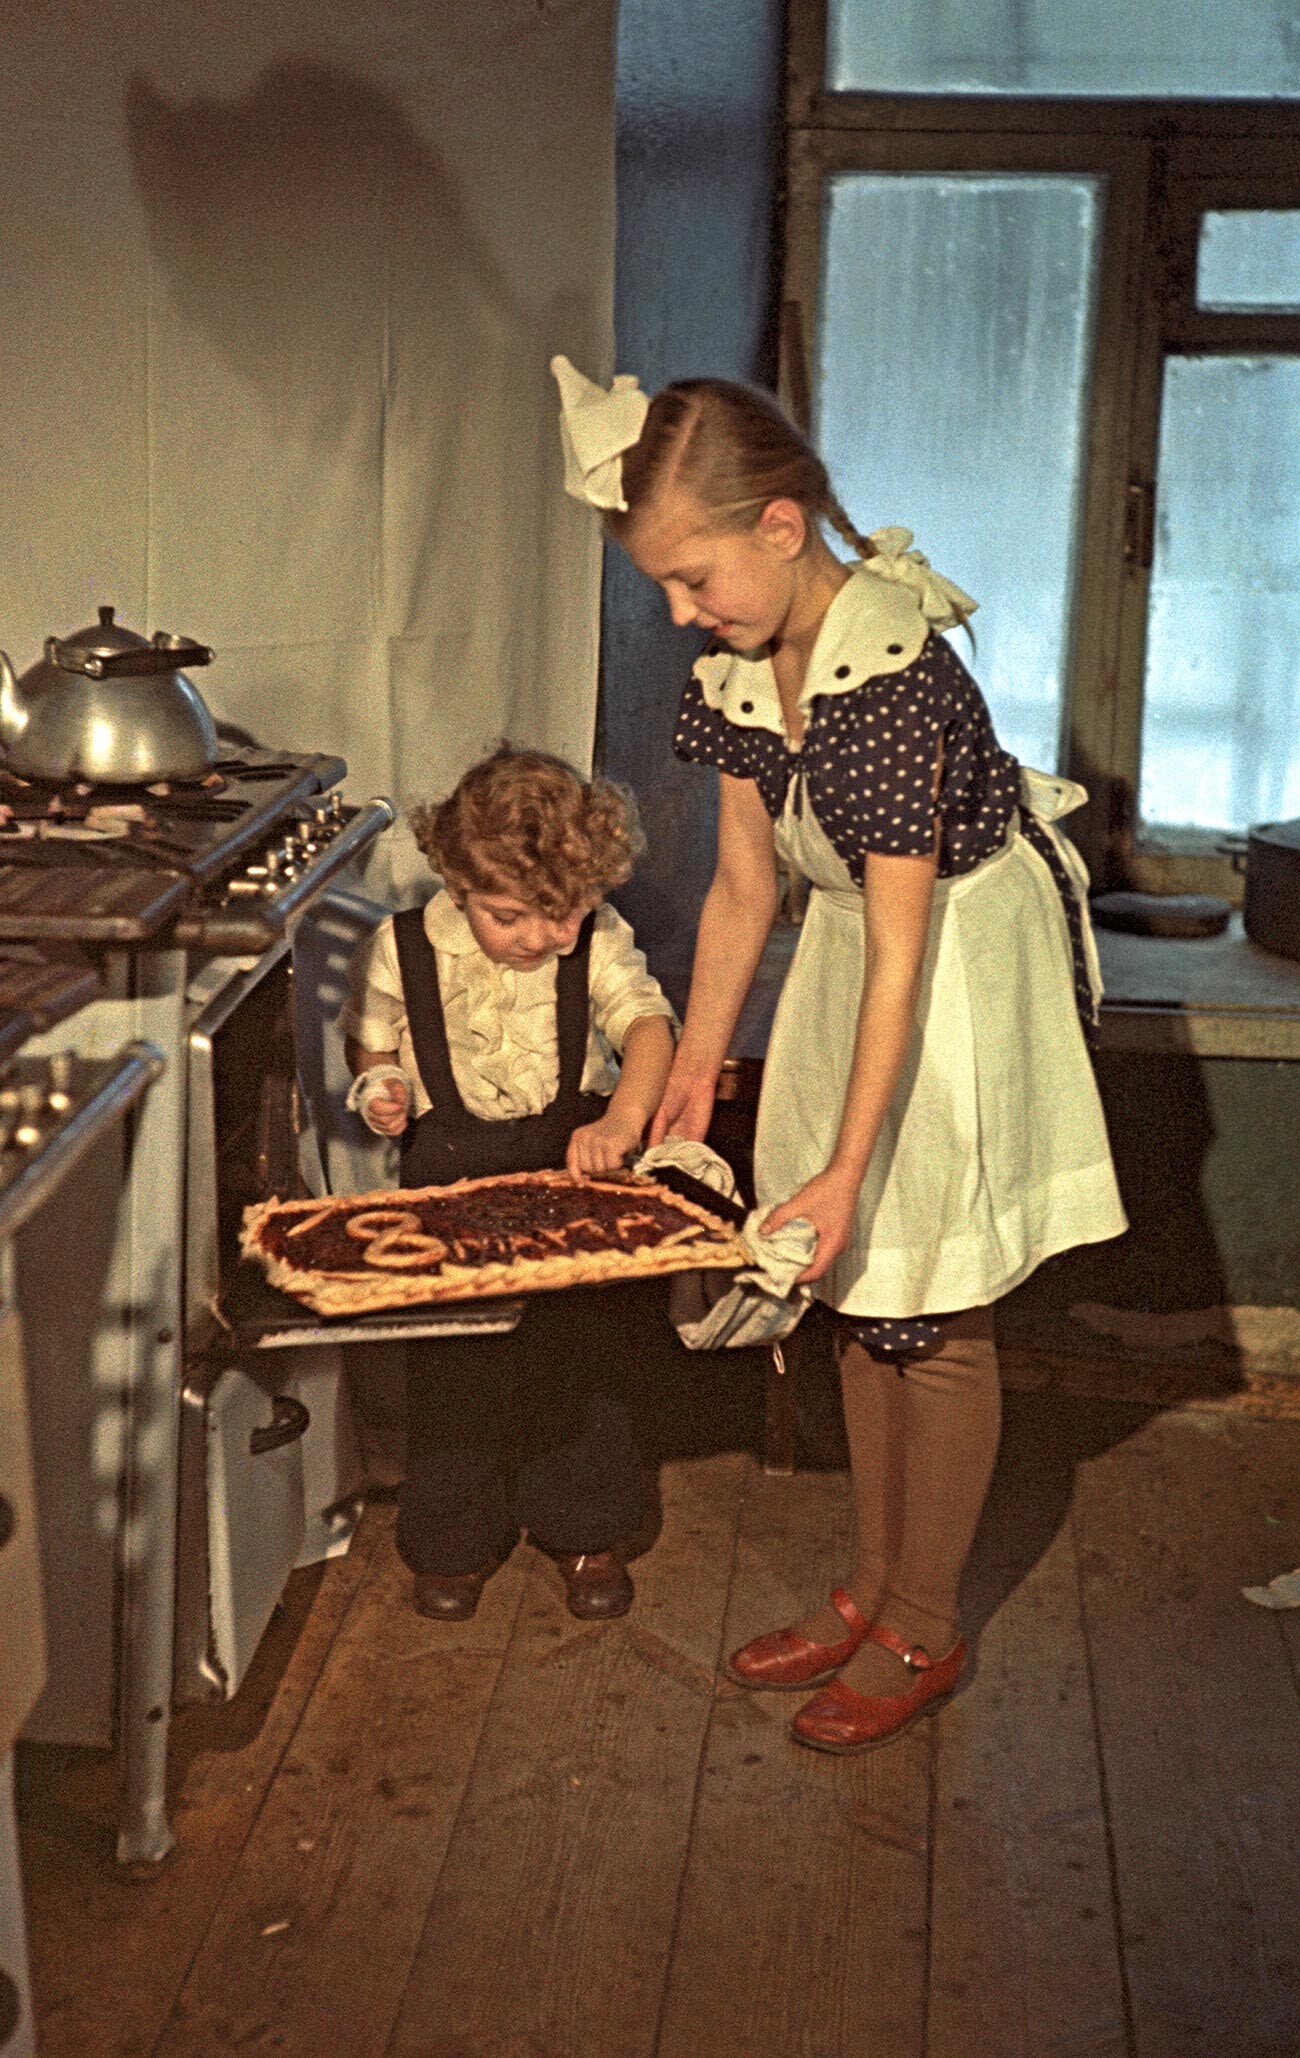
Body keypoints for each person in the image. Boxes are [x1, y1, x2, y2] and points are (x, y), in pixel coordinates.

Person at [550, 356, 1126, 1750]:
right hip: (850, 957)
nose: (684, 613)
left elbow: (905, 941)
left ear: (781, 526)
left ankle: (926, 1618)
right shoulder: (752, 667)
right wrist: (695, 1064)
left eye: (694, 580)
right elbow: (749, 887)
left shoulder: (888, 679)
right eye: (665, 591)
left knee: (933, 1301)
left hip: (950, 978)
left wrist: (850, 1157)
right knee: (847, 1276)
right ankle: (870, 1587)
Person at [339, 743, 677, 1624]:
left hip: (568, 1164)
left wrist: (618, 1123)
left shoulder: (595, 941)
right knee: (457, 1367)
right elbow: (372, 1043)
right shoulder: (402, 946)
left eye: (560, 916)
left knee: (581, 1359)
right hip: (447, 1169)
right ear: (456, 881)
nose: (538, 937)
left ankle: (586, 1527)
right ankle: (453, 1540)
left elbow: (646, 1027)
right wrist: (381, 1086)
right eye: (510, 917)